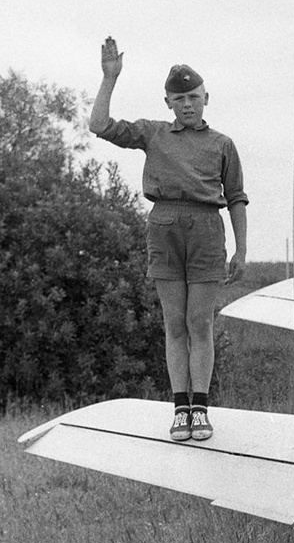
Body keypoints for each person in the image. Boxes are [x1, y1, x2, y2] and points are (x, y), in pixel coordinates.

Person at [89, 37, 248, 442]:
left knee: (200, 322)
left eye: (194, 97)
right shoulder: (153, 134)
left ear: (206, 97)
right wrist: (110, 78)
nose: (188, 105)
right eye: (179, 99)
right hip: (164, 227)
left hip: (207, 230)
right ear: (168, 103)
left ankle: (201, 409)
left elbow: (235, 198)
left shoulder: (223, 144)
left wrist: (242, 249)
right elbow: (99, 126)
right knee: (174, 323)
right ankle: (180, 408)